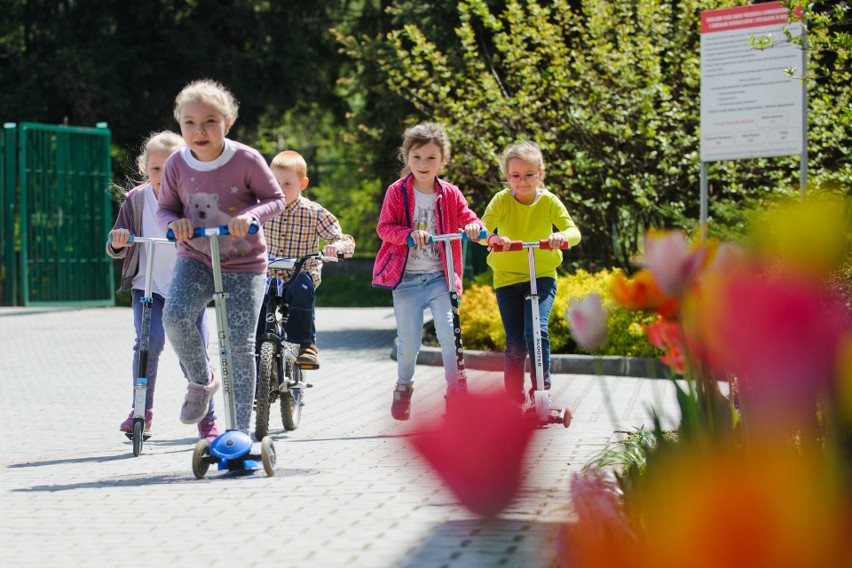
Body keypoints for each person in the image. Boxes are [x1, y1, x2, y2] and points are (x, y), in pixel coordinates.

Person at [158, 79, 286, 436]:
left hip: (245, 265)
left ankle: (239, 433)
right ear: (180, 124)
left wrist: (253, 216)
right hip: (196, 257)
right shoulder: (176, 165)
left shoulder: (245, 159)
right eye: (190, 123)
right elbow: (166, 209)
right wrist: (174, 225)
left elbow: (275, 198)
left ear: (227, 122)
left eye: (210, 121)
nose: (199, 130)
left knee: (240, 347)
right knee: (176, 315)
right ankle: (202, 381)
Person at [107, 131, 219, 441]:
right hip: (149, 289)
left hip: (189, 290)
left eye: (172, 167)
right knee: (148, 343)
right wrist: (118, 242)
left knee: (192, 355)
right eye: (156, 168)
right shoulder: (137, 199)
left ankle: (207, 420)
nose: (164, 174)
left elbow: (214, 238)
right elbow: (117, 240)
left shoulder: (196, 199)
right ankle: (140, 410)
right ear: (146, 168)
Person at [372, 122, 484, 421]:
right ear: (407, 157)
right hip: (406, 279)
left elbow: (469, 218)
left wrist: (475, 227)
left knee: (449, 333)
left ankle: (456, 394)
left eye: (431, 158)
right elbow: (384, 228)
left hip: (439, 276)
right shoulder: (397, 192)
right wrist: (408, 234)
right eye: (417, 157)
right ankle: (404, 386)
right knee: (409, 343)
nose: (424, 164)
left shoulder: (450, 193)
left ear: (443, 161)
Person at [481, 140, 581, 417]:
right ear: (507, 176)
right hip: (508, 278)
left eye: (529, 175)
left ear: (540, 174)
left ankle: (542, 395)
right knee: (515, 342)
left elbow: (574, 232)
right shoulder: (501, 200)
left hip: (542, 275)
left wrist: (561, 237)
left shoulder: (548, 201)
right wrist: (492, 237)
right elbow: (480, 230)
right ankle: (512, 400)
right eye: (515, 176)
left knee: (537, 332)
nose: (522, 181)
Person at [262, 150, 355, 368]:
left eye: (287, 184)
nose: (280, 189)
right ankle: (256, 351)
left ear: (302, 183)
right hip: (269, 275)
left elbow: (342, 237)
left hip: (299, 274)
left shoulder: (313, 213)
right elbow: (245, 231)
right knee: (255, 301)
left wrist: (336, 247)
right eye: (275, 183)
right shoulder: (263, 209)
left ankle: (306, 345)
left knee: (303, 288)